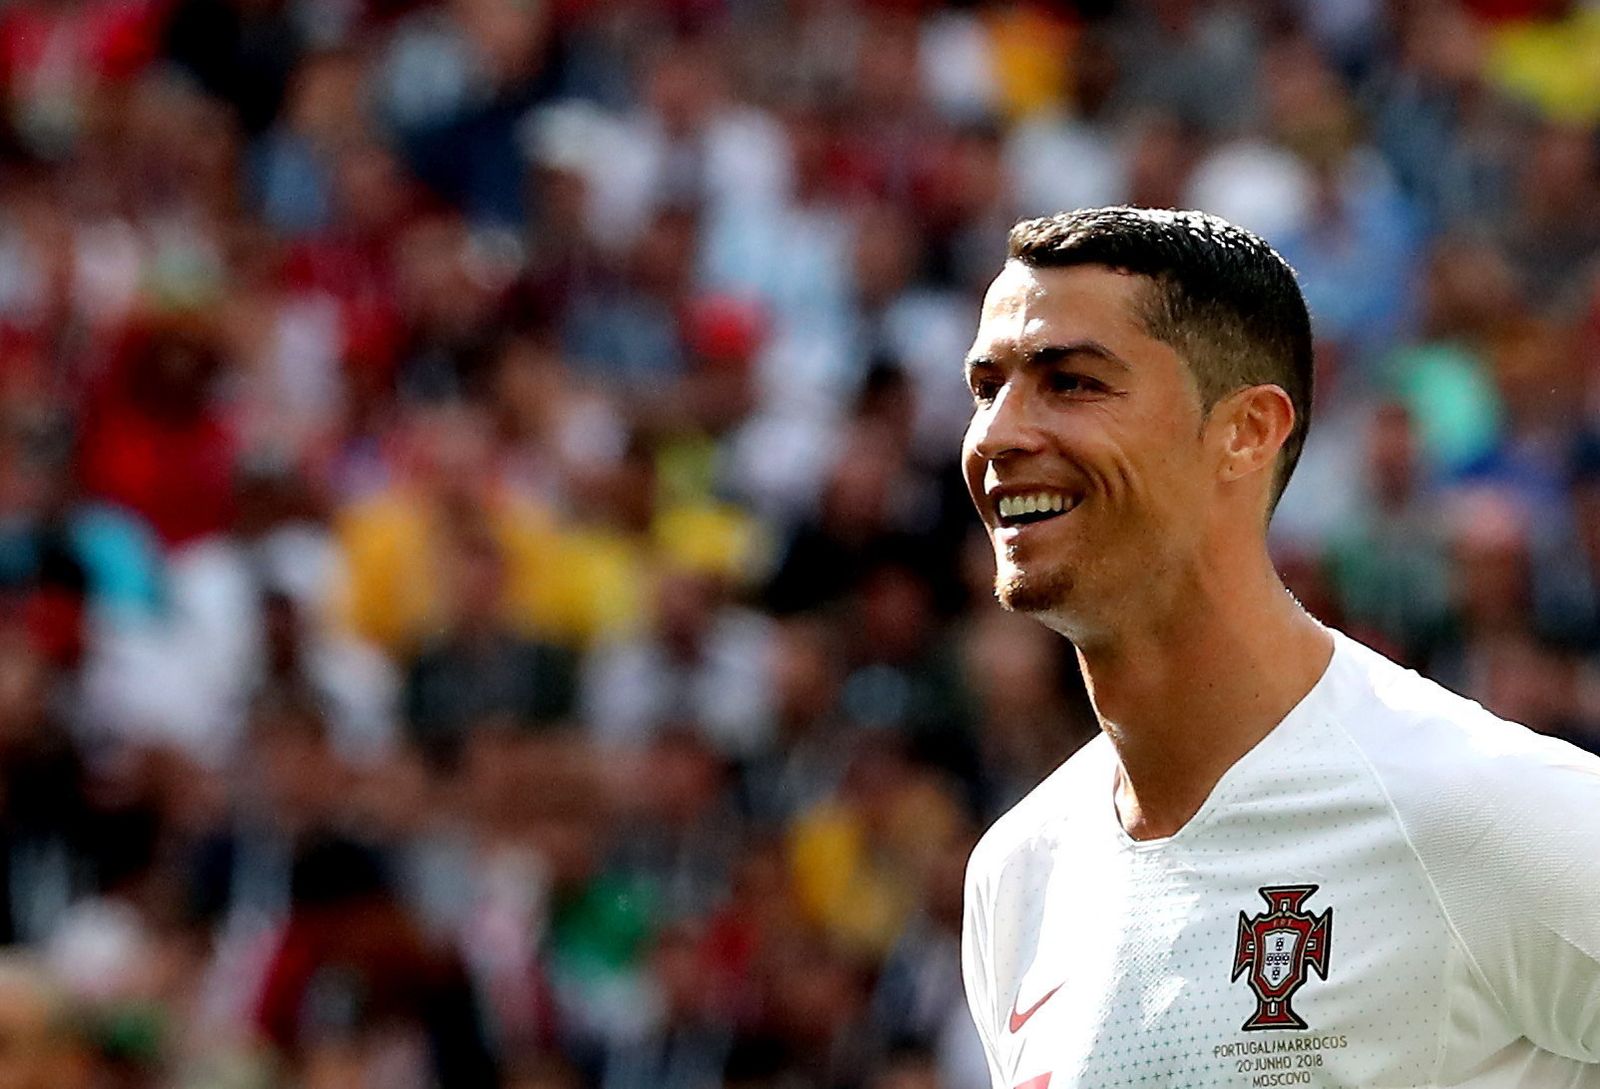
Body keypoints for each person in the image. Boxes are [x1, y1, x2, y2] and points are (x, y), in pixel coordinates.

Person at [957, 207, 1600, 1089]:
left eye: (1070, 382)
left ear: (1248, 430)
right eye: (985, 388)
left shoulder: (1478, 808)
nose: (998, 434)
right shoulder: (1018, 872)